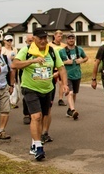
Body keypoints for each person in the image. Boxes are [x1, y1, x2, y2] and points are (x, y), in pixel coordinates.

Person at [12, 29, 69, 161]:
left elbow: (61, 68)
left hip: (47, 89)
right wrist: (32, 61)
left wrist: (65, 84)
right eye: (40, 38)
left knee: (45, 116)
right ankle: (38, 147)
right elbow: (14, 64)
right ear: (34, 39)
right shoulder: (27, 50)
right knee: (36, 117)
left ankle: (34, 142)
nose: (43, 41)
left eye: (45, 38)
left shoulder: (51, 51)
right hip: (30, 88)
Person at [59, 33, 88, 120]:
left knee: (74, 93)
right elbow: (57, 63)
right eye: (69, 39)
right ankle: (73, 110)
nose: (71, 40)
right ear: (66, 40)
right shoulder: (62, 51)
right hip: (67, 76)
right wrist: (65, 62)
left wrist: (81, 60)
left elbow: (86, 58)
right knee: (70, 92)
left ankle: (70, 109)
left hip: (77, 74)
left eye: (73, 38)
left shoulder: (79, 49)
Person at [51, 30, 67, 106]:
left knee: (61, 83)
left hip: (60, 67)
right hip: (52, 67)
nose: (60, 38)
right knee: (52, 84)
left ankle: (60, 99)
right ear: (54, 36)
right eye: (58, 36)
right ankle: (50, 98)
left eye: (61, 36)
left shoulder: (64, 46)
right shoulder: (49, 45)